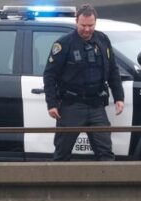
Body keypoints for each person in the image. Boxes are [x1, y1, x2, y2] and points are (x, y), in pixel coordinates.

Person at [42, 4, 125, 162]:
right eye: (83, 25)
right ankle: (58, 186)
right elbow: (50, 75)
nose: (87, 29)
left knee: (106, 153)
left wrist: (119, 97)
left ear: (95, 22)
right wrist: (51, 103)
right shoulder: (64, 44)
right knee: (62, 153)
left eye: (90, 25)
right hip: (71, 105)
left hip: (96, 105)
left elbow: (113, 70)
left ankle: (107, 186)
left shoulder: (102, 40)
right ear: (76, 22)